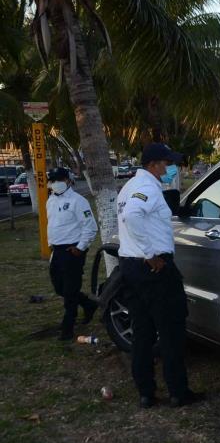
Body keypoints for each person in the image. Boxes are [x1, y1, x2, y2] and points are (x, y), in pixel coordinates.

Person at [117, 143, 203, 409]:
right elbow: (132, 216)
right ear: (154, 164)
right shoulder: (147, 188)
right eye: (168, 164)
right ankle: (178, 391)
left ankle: (146, 393)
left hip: (130, 267)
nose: (171, 168)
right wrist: (150, 254)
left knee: (142, 332)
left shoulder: (130, 187)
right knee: (171, 330)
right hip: (152, 268)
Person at [46, 167, 98, 341]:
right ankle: (88, 303)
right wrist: (50, 244)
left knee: (69, 291)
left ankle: (68, 327)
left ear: (68, 180)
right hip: (57, 250)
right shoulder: (50, 200)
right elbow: (52, 224)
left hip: (72, 251)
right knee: (59, 287)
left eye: (59, 179)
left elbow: (90, 227)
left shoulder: (78, 201)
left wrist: (80, 247)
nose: (55, 183)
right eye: (52, 180)